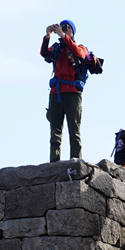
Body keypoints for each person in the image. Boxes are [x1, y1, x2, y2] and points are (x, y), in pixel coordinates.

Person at [40, 20, 102, 162]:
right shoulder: (57, 48)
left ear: (73, 32)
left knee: (74, 130)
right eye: (62, 28)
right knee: (55, 131)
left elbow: (80, 54)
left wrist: (64, 37)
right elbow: (44, 53)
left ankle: (76, 161)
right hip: (56, 93)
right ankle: (54, 162)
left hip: (73, 93)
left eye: (67, 28)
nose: (63, 30)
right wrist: (47, 36)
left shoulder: (80, 47)